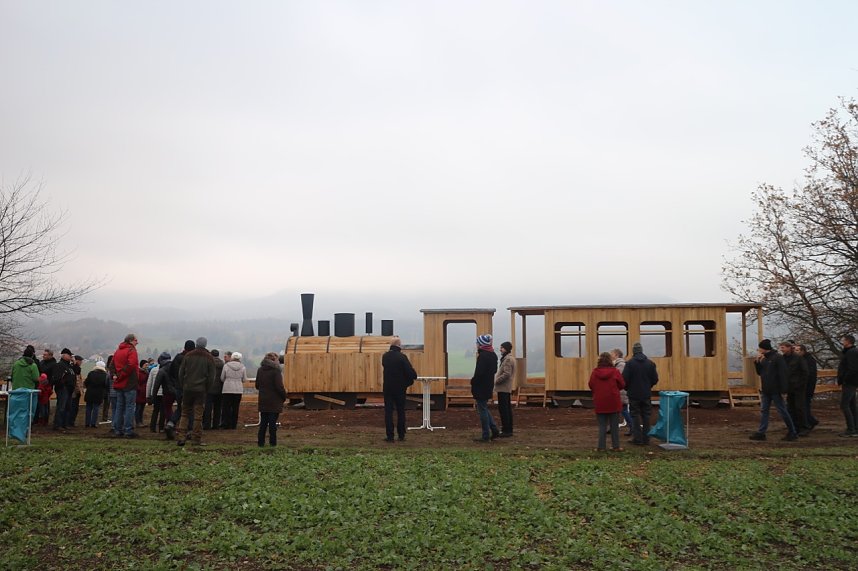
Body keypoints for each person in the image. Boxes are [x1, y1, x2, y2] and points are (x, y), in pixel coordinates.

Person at [750, 339, 798, 441]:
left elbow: (783, 374)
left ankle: (792, 432)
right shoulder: (765, 359)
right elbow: (760, 372)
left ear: (764, 348)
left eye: (760, 348)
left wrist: (784, 389)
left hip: (775, 390)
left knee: (782, 411)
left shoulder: (777, 358)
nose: (758, 350)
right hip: (766, 389)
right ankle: (761, 432)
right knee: (764, 410)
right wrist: (757, 362)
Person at [176, 337, 215, 446]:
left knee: (184, 413)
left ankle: (181, 437)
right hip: (201, 390)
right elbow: (212, 377)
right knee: (198, 415)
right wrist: (207, 388)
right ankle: (196, 438)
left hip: (187, 388)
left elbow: (181, 373)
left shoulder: (188, 355)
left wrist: (183, 385)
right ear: (205, 345)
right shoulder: (209, 357)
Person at [381, 337, 417, 442]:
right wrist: (408, 381)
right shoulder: (402, 357)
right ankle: (401, 435)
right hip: (400, 388)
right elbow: (411, 373)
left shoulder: (385, 357)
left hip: (387, 388)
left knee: (388, 412)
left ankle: (390, 436)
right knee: (401, 411)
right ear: (399, 345)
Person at [622, 342, 658, 445]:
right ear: (641, 350)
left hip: (633, 394)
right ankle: (646, 438)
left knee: (635, 415)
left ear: (634, 351)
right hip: (646, 394)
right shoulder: (650, 363)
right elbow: (655, 379)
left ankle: (637, 439)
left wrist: (628, 388)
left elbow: (624, 379)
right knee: (646, 415)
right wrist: (648, 386)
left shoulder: (629, 364)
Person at [589, 352, 626, 452]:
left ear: (599, 360)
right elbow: (622, 384)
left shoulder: (595, 372)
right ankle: (616, 446)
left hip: (600, 402)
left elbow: (591, 385)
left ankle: (601, 447)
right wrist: (615, 389)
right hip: (613, 401)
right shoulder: (615, 371)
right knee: (614, 426)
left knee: (602, 426)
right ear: (610, 360)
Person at [471, 334, 500, 442]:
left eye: (478, 343)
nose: (477, 345)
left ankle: (486, 435)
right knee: (484, 408)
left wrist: (473, 382)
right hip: (488, 385)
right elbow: (494, 371)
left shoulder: (483, 356)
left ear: (481, 344)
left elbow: (479, 373)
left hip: (481, 386)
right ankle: (494, 430)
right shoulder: (493, 355)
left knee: (482, 409)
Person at [255, 352, 287, 447]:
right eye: (277, 360)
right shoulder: (276, 371)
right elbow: (279, 387)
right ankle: (273, 443)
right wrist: (284, 396)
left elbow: (257, 385)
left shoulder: (260, 370)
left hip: (263, 400)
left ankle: (261, 443)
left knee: (263, 423)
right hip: (274, 401)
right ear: (274, 360)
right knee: (272, 424)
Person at [165, 340, 195, 440]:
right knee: (190, 409)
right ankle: (190, 430)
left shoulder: (177, 357)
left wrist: (175, 384)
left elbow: (171, 372)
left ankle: (170, 424)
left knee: (180, 408)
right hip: (188, 387)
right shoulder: (191, 359)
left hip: (178, 387)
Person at [112, 333, 140, 439]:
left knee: (119, 407)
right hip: (129, 383)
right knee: (129, 407)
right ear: (131, 341)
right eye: (136, 340)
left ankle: (118, 429)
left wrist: (116, 375)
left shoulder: (118, 351)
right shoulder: (131, 350)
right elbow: (131, 365)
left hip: (119, 384)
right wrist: (121, 375)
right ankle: (128, 430)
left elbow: (112, 365)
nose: (137, 342)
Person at [780, 341, 810, 436]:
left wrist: (800, 384)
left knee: (799, 408)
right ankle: (794, 427)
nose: (781, 349)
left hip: (798, 388)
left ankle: (804, 427)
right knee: (791, 408)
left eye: (783, 347)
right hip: (789, 388)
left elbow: (805, 372)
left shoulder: (798, 358)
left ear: (789, 348)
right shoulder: (783, 359)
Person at [837, 334, 858, 437]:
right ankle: (855, 427)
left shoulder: (851, 353)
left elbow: (853, 368)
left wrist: (845, 379)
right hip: (851, 382)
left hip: (850, 382)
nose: (842, 342)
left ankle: (851, 429)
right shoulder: (850, 352)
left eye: (843, 340)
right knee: (852, 405)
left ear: (848, 341)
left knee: (844, 405)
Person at [494, 341, 515, 437]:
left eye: (502, 348)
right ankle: (508, 429)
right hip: (505, 388)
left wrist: (497, 381)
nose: (500, 349)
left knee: (504, 410)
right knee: (507, 409)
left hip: (503, 387)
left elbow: (507, 374)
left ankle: (506, 430)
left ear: (506, 349)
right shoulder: (510, 358)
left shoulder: (507, 360)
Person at [51, 348, 77, 432]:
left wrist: (75, 363)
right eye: (69, 355)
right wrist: (63, 385)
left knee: (67, 407)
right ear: (64, 355)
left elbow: (77, 371)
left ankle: (64, 424)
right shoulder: (60, 365)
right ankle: (58, 424)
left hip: (69, 389)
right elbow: (57, 378)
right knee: (61, 407)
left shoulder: (70, 366)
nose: (71, 357)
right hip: (63, 388)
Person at [220, 351, 246, 429]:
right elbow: (244, 379)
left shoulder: (226, 366)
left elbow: (222, 378)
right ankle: (233, 424)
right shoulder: (243, 367)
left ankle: (225, 423)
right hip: (238, 389)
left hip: (227, 389)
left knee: (226, 407)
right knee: (235, 407)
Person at [795, 344, 819, 429]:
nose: (795, 352)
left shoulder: (809, 360)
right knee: (803, 406)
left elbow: (810, 375)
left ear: (802, 351)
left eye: (797, 350)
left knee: (805, 406)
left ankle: (809, 422)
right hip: (803, 387)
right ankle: (810, 421)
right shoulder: (802, 359)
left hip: (807, 387)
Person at [611, 348, 634, 435]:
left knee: (622, 410)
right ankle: (631, 427)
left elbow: (618, 378)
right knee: (620, 410)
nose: (611, 355)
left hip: (620, 391)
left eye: (612, 354)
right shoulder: (619, 364)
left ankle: (632, 427)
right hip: (620, 391)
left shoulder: (620, 365)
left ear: (616, 355)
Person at [147, 352, 170, 433]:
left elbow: (149, 383)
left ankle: (152, 427)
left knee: (155, 411)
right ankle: (161, 428)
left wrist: (148, 395)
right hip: (164, 393)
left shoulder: (153, 370)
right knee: (163, 411)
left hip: (155, 393)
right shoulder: (169, 370)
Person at [203, 349, 226, 430]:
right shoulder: (222, 364)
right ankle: (216, 424)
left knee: (208, 408)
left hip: (209, 389)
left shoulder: (208, 363)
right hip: (219, 389)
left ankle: (206, 425)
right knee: (218, 408)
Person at [83, 361, 109, 427]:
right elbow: (106, 385)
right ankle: (93, 423)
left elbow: (86, 382)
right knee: (96, 408)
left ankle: (87, 423)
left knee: (88, 407)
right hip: (99, 393)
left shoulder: (91, 373)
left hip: (89, 392)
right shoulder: (105, 375)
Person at [68, 355, 84, 427]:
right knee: (73, 407)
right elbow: (77, 373)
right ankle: (70, 421)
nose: (81, 362)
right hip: (74, 390)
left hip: (77, 390)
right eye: (80, 361)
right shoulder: (72, 367)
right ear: (77, 360)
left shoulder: (76, 368)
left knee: (75, 407)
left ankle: (72, 421)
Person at [135, 360, 149, 428]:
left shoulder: (146, 373)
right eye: (146, 365)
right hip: (139, 393)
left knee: (142, 408)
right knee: (138, 408)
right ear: (142, 365)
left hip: (144, 392)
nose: (147, 366)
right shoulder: (139, 373)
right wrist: (139, 389)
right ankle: (138, 422)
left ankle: (141, 421)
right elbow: (137, 382)